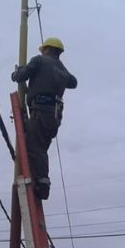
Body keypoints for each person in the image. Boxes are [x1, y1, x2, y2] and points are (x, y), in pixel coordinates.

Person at [11, 37, 78, 200]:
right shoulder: (62, 69)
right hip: (54, 115)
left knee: (34, 147)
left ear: (46, 49)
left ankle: (42, 183)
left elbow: (22, 76)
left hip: (41, 111)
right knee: (39, 146)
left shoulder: (39, 61)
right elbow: (73, 82)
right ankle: (39, 178)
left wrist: (16, 74)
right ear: (59, 53)